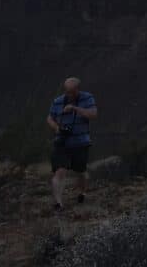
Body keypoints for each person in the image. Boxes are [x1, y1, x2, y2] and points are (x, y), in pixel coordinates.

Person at [47, 77, 97, 212]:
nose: (69, 95)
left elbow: (93, 114)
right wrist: (57, 128)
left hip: (80, 142)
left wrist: (75, 108)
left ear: (77, 90)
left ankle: (82, 192)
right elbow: (50, 117)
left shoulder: (87, 98)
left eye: (72, 92)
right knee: (59, 170)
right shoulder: (58, 102)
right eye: (67, 91)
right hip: (62, 142)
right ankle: (58, 203)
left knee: (80, 171)